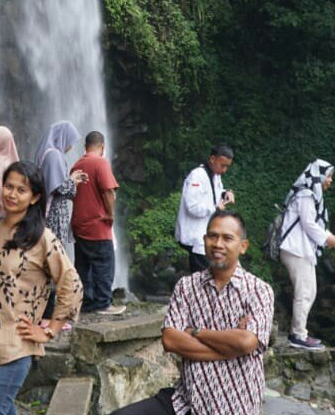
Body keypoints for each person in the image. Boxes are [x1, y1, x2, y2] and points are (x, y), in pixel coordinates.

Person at [108, 211, 274, 415]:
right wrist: (230, 349)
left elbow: (245, 342)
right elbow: (170, 340)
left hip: (234, 406)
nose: (218, 244)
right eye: (212, 236)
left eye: (227, 238)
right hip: (185, 401)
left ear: (243, 246)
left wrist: (196, 332)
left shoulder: (259, 290)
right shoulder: (187, 286)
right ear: (204, 240)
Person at [0, 161, 82, 415]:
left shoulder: (42, 237)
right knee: (3, 410)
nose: (12, 194)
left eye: (22, 190)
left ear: (35, 197)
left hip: (14, 344)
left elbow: (71, 282)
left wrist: (50, 330)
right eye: (9, 186)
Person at [279, 158, 335, 350]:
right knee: (305, 291)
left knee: (310, 291)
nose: (330, 180)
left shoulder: (310, 195)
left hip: (300, 250)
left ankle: (299, 332)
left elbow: (313, 224)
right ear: (320, 175)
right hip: (295, 249)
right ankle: (298, 335)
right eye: (329, 176)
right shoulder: (306, 195)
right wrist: (327, 240)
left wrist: (331, 237)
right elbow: (309, 223)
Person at [70, 130, 124, 315]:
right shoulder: (100, 163)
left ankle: (86, 302)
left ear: (85, 147)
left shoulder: (76, 165)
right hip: (97, 223)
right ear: (102, 147)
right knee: (104, 262)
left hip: (78, 223)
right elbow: (108, 191)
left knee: (83, 264)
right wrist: (111, 214)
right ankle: (102, 303)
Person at [175, 144, 236, 273]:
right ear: (212, 159)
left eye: (227, 167)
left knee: (208, 276)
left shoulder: (216, 175)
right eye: (222, 165)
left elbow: (215, 192)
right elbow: (192, 206)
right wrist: (215, 208)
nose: (224, 170)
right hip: (196, 236)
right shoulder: (197, 176)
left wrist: (226, 193)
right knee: (204, 277)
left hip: (206, 235)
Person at [34, 120, 88, 246]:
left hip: (50, 212)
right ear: (63, 137)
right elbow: (59, 189)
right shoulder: (54, 155)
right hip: (53, 214)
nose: (71, 146)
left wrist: (73, 180)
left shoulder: (49, 153)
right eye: (71, 141)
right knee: (53, 251)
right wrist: (73, 179)